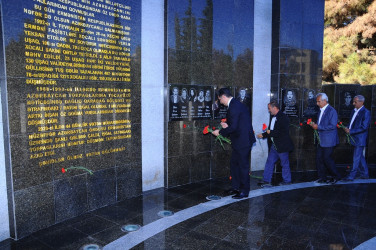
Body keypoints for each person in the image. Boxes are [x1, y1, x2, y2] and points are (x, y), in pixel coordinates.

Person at [212, 88, 256, 199]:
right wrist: (227, 125)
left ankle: (244, 191)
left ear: (223, 96)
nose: (220, 102)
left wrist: (220, 132)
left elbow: (234, 127)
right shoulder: (235, 104)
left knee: (243, 167)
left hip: (243, 142)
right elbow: (236, 124)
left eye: (220, 99)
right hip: (239, 141)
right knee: (234, 164)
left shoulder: (234, 106)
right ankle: (236, 187)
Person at [256, 101, 294, 187]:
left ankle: (287, 181)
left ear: (275, 108)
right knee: (270, 161)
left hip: (282, 145)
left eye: (269, 109)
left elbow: (282, 132)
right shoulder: (273, 117)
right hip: (274, 145)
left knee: (284, 163)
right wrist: (263, 135)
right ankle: (266, 180)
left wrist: (270, 132)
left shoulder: (283, 117)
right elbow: (270, 131)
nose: (269, 111)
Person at [309, 93, 341, 184]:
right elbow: (321, 123)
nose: (317, 103)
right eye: (317, 101)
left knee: (327, 158)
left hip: (329, 140)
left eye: (318, 101)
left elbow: (332, 126)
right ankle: (322, 177)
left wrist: (318, 127)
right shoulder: (320, 110)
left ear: (324, 101)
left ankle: (336, 176)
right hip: (321, 140)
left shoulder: (332, 111)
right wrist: (314, 125)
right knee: (319, 158)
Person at [342, 95, 371, 181]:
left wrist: (351, 131)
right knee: (360, 157)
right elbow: (351, 123)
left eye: (355, 102)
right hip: (354, 138)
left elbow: (364, 127)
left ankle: (351, 176)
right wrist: (347, 127)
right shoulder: (353, 111)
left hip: (359, 139)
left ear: (362, 102)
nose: (353, 103)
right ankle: (365, 174)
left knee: (356, 158)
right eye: (353, 101)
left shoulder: (366, 112)